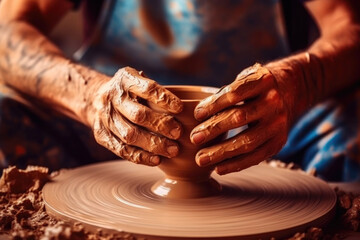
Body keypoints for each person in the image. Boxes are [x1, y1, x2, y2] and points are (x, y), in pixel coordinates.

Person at [0, 0, 359, 181]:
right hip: (105, 129)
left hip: (266, 130)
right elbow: (8, 32)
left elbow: (351, 29)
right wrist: (91, 97)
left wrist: (300, 81)